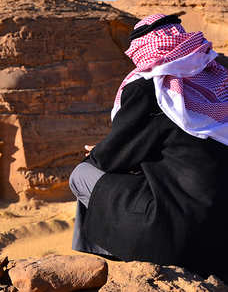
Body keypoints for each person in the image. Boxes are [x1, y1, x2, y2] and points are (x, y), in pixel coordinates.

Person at [69, 14, 228, 280]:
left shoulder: (152, 88)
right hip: (220, 234)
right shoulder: (216, 78)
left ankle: (113, 262)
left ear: (143, 49)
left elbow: (112, 158)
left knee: (82, 174)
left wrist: (96, 152)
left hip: (179, 229)